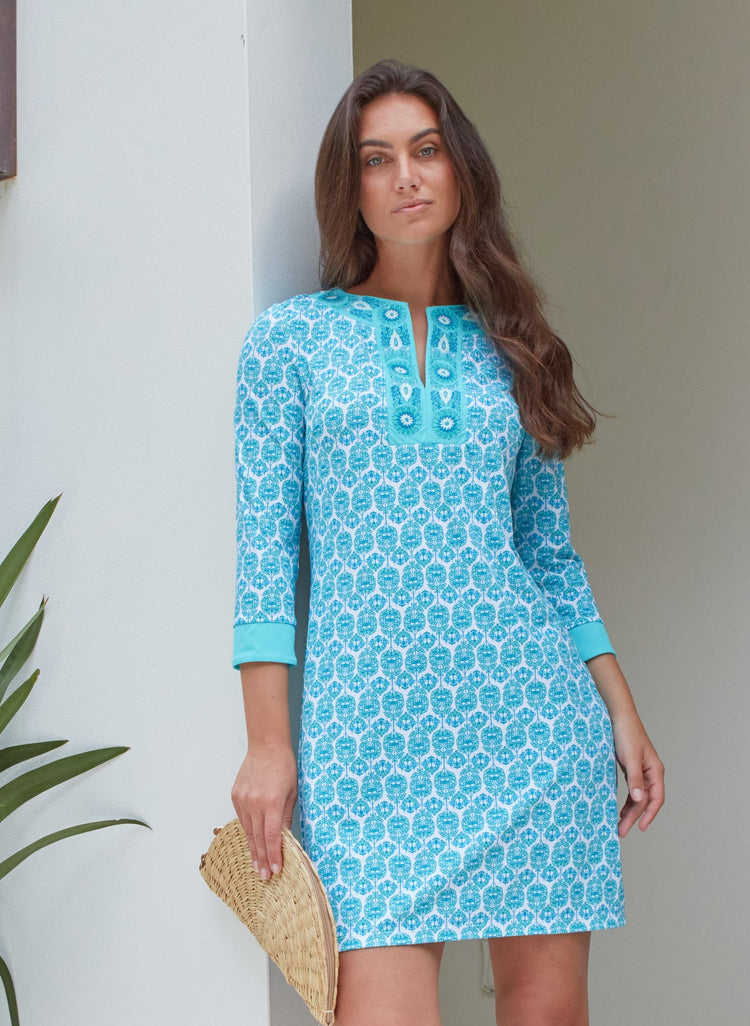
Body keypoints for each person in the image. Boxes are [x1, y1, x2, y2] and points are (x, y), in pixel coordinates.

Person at [230, 59, 665, 1026]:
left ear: (461, 168)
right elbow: (265, 557)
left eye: (426, 151)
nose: (407, 176)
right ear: (352, 189)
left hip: (530, 728)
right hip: (365, 744)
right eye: (377, 159)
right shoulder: (290, 345)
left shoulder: (520, 349)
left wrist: (621, 714)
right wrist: (268, 745)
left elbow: (549, 555)